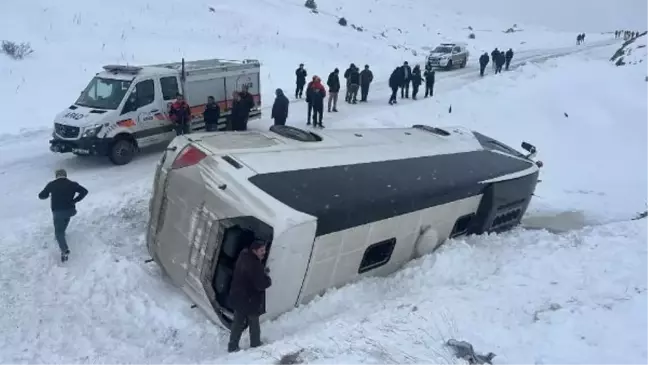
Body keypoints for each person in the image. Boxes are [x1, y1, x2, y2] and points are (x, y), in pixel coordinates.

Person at [227, 240, 272, 353]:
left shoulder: (243, 256)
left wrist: (261, 271)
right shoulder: (255, 265)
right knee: (254, 323)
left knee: (237, 322)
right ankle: (255, 344)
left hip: (238, 295)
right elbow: (261, 284)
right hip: (250, 299)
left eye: (264, 249)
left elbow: (248, 274)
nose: (264, 252)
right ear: (254, 251)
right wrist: (267, 278)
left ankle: (232, 346)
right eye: (261, 250)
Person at [38, 169, 88, 262]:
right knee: (65, 220)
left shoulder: (52, 184)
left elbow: (41, 196)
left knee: (58, 232)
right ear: (65, 175)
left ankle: (64, 250)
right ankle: (62, 234)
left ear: (56, 175)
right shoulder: (72, 184)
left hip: (58, 212)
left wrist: (48, 194)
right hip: (70, 210)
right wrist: (75, 200)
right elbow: (85, 191)